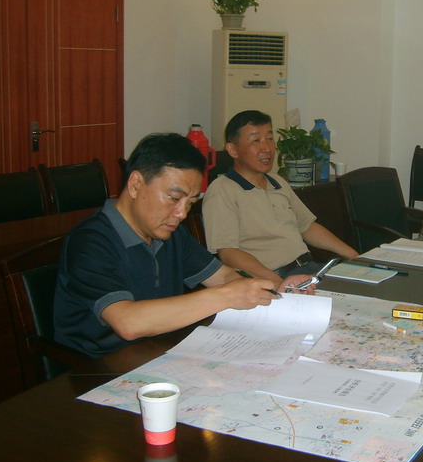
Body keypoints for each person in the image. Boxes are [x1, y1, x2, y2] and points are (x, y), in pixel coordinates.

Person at [54, 133, 311, 358]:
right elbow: (127, 323)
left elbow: (224, 278)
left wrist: (273, 289)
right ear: (135, 184)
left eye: (190, 203)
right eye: (174, 198)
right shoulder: (90, 241)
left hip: (160, 352)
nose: (182, 213)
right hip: (98, 370)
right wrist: (226, 296)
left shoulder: (171, 233)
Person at [202, 110, 358, 285]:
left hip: (309, 269)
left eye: (270, 138)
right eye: (256, 140)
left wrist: (354, 256)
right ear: (233, 150)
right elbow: (228, 253)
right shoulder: (222, 190)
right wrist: (277, 283)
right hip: (273, 279)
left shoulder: (277, 182)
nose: (267, 148)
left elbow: (307, 227)